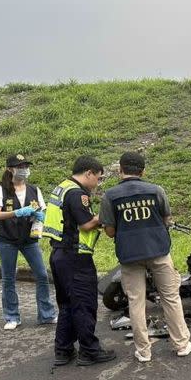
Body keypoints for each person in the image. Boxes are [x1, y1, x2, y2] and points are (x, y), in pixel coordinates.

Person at [99, 151, 191, 363]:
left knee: (136, 302)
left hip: (129, 256)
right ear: (143, 171)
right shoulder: (156, 190)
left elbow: (110, 231)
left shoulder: (110, 196)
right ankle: (181, 344)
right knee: (170, 297)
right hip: (159, 252)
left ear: (120, 170)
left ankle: (144, 351)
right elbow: (166, 218)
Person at [43, 156, 115, 367]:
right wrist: (106, 216)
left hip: (59, 255)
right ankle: (89, 351)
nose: (98, 183)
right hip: (76, 257)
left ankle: (63, 350)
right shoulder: (77, 194)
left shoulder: (62, 188)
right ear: (88, 173)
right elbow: (86, 224)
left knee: (67, 304)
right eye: (98, 178)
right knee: (84, 304)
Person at [0, 154, 57, 329]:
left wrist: (39, 217)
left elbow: (41, 211)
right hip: (7, 240)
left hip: (29, 239)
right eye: (20, 166)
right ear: (10, 169)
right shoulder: (1, 189)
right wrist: (17, 213)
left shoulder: (34, 189)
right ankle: (12, 316)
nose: (24, 170)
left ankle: (46, 314)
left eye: (26, 166)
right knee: (8, 278)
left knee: (42, 275)